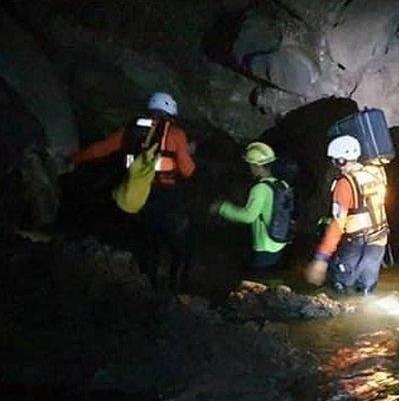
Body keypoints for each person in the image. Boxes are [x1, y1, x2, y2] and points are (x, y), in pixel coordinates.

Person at [70, 92, 195, 291]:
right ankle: (178, 291)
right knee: (181, 246)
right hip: (167, 197)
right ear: (171, 112)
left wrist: (74, 158)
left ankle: (149, 287)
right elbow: (188, 170)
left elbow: (100, 149)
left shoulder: (130, 131)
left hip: (137, 195)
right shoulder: (175, 134)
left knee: (149, 244)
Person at [305, 135, 389, 294]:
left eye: (336, 161)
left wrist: (321, 258)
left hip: (356, 245)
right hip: (379, 242)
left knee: (340, 289)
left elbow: (337, 224)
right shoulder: (377, 173)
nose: (336, 165)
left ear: (342, 160)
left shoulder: (344, 183)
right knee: (366, 290)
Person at [210, 142, 291, 270]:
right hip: (280, 241)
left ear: (256, 166)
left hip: (265, 245)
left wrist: (222, 208)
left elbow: (248, 216)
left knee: (258, 282)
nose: (250, 168)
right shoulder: (282, 185)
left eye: (250, 165)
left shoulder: (260, 188)